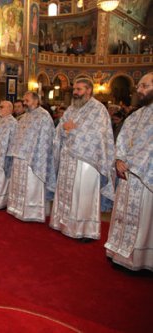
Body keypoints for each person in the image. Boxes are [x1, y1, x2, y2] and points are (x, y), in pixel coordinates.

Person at [50, 78, 115, 241]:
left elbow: (96, 135)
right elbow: (60, 128)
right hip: (68, 159)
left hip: (86, 161)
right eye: (75, 89)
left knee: (82, 193)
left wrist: (70, 131)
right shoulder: (71, 109)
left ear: (89, 90)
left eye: (79, 89)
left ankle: (84, 230)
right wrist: (66, 130)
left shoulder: (98, 109)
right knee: (67, 191)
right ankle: (62, 223)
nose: (75, 92)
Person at [105, 72, 153, 271]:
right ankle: (118, 250)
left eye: (144, 86)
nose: (139, 90)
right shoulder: (137, 115)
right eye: (139, 87)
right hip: (126, 175)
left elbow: (150, 147)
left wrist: (130, 163)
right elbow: (122, 139)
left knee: (143, 218)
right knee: (123, 214)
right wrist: (118, 159)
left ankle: (139, 259)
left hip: (143, 177)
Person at [6, 91, 56, 223]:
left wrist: (36, 156)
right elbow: (18, 136)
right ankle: (16, 208)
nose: (24, 102)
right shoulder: (25, 116)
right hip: (19, 156)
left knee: (31, 185)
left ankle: (31, 212)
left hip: (34, 158)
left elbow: (46, 140)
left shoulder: (44, 116)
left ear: (35, 100)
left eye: (27, 100)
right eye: (24, 100)